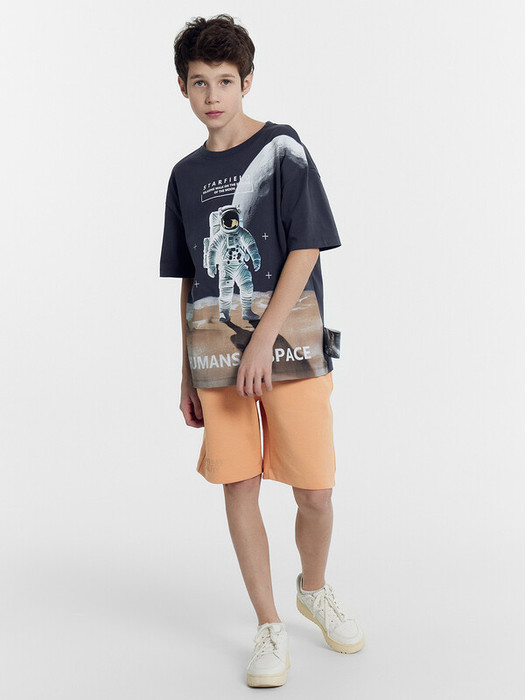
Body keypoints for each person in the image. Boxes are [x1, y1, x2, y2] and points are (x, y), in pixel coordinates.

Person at [159, 13, 365, 688]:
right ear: (183, 88)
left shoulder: (282, 147)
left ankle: (313, 588)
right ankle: (268, 623)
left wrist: (264, 340)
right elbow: (189, 277)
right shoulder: (184, 175)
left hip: (291, 340)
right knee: (239, 483)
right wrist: (186, 371)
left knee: (315, 491)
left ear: (246, 81)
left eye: (225, 80)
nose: (212, 95)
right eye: (199, 82)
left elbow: (305, 248)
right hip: (214, 350)